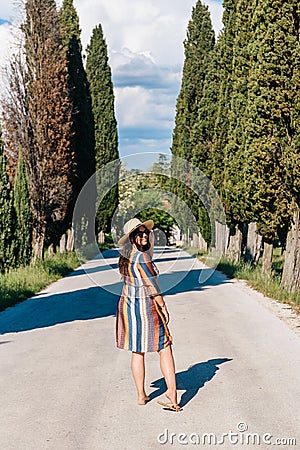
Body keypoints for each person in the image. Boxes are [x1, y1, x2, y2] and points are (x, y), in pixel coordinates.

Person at [116, 218, 182, 411]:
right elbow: (151, 284)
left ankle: (141, 395)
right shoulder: (141, 258)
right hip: (145, 305)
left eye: (145, 232)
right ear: (132, 239)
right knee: (165, 346)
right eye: (139, 233)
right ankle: (172, 393)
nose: (144, 236)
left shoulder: (126, 258)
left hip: (128, 305)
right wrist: (162, 304)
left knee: (138, 350)